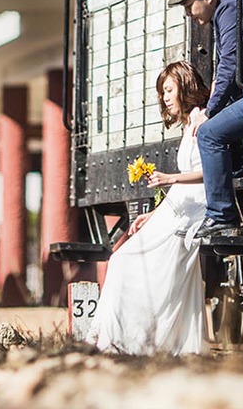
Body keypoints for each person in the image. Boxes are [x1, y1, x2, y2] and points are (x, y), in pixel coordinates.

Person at [93, 61, 211, 355]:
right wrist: (153, 213)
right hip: (179, 205)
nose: (165, 97)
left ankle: (132, 340)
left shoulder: (202, 121)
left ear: (185, 86)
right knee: (123, 260)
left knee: (125, 263)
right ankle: (127, 338)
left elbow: (212, 174)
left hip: (194, 207)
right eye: (163, 92)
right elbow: (183, 183)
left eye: (169, 89)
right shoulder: (189, 125)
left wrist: (171, 177)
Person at [167, 0, 243, 239]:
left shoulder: (229, 9)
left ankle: (221, 215)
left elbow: (229, 63)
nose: (189, 14)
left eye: (190, 6)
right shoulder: (225, 10)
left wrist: (210, 111)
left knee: (209, 133)